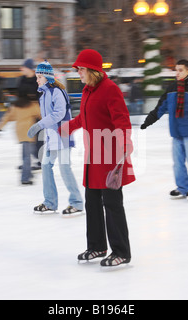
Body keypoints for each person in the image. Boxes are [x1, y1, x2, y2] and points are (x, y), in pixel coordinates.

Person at [60, 49, 135, 267]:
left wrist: (125, 144)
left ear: (93, 70)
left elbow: (122, 120)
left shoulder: (110, 90)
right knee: (92, 203)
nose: (79, 72)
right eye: (78, 69)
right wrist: (67, 127)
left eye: (81, 68)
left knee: (112, 204)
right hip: (93, 157)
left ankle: (121, 251)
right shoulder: (87, 91)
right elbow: (84, 117)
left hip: (111, 156)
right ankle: (97, 246)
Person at [141, 59, 188, 202]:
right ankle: (182, 188)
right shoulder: (171, 89)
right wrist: (147, 122)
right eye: (176, 70)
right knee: (178, 163)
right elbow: (159, 108)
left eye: (180, 70)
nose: (177, 73)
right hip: (176, 132)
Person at [27, 60, 83, 216]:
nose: (37, 80)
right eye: (36, 77)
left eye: (39, 77)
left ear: (47, 77)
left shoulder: (56, 92)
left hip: (63, 135)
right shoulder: (44, 94)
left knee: (65, 168)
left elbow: (59, 113)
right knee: (45, 166)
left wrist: (39, 125)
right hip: (52, 138)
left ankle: (77, 202)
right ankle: (50, 203)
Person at [0, 92, 41, 185]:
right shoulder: (32, 105)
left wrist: (0, 126)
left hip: (20, 131)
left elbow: (8, 117)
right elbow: (41, 115)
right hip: (29, 131)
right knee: (27, 156)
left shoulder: (15, 106)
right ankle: (25, 178)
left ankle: (28, 173)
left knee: (27, 153)